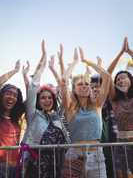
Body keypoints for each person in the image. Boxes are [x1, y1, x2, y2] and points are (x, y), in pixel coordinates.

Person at [50, 45, 110, 178]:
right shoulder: (70, 107)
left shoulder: (97, 105)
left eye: (87, 84)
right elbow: (64, 81)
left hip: (97, 157)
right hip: (74, 156)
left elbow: (106, 76)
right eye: (80, 84)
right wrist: (75, 62)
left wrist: (87, 61)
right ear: (74, 89)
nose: (84, 86)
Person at [21, 40, 68, 178]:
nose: (47, 100)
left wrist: (56, 67)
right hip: (37, 165)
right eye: (43, 98)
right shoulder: (33, 115)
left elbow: (64, 91)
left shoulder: (57, 116)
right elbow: (33, 88)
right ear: (38, 101)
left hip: (58, 163)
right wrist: (42, 64)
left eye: (49, 98)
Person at [106, 37, 133, 178]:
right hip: (120, 145)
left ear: (131, 80)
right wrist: (120, 53)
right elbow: (106, 75)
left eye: (124, 77)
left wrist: (129, 52)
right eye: (118, 79)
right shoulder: (114, 99)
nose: (121, 80)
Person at [0, 83, 25, 178]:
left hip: (15, 167)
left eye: (15, 95)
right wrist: (14, 71)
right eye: (8, 93)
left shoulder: (16, 121)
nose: (11, 97)